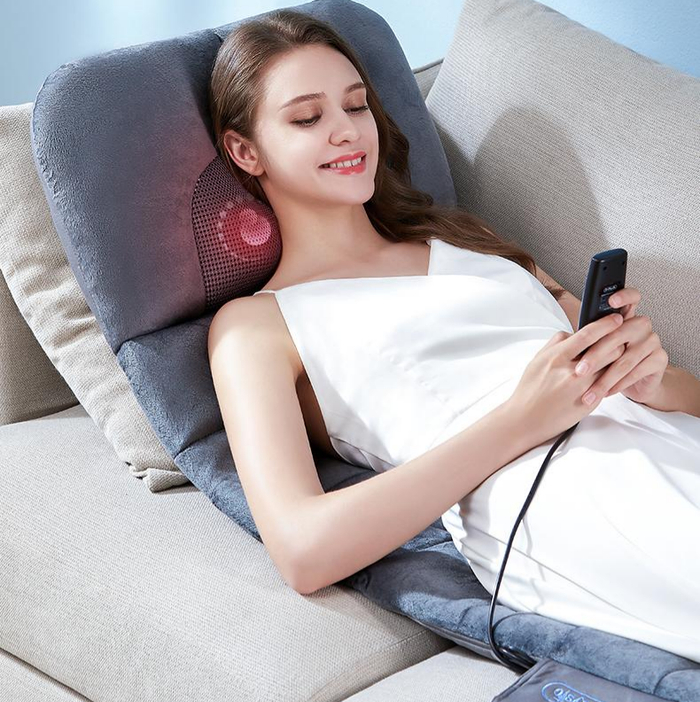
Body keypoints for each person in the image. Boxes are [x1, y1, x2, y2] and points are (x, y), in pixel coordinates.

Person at [206, 9, 700, 663]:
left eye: (356, 105)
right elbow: (303, 551)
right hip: (552, 498)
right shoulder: (255, 326)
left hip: (663, 437)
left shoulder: (466, 238)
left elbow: (683, 396)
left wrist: (652, 380)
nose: (347, 131)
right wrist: (524, 418)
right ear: (245, 151)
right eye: (306, 118)